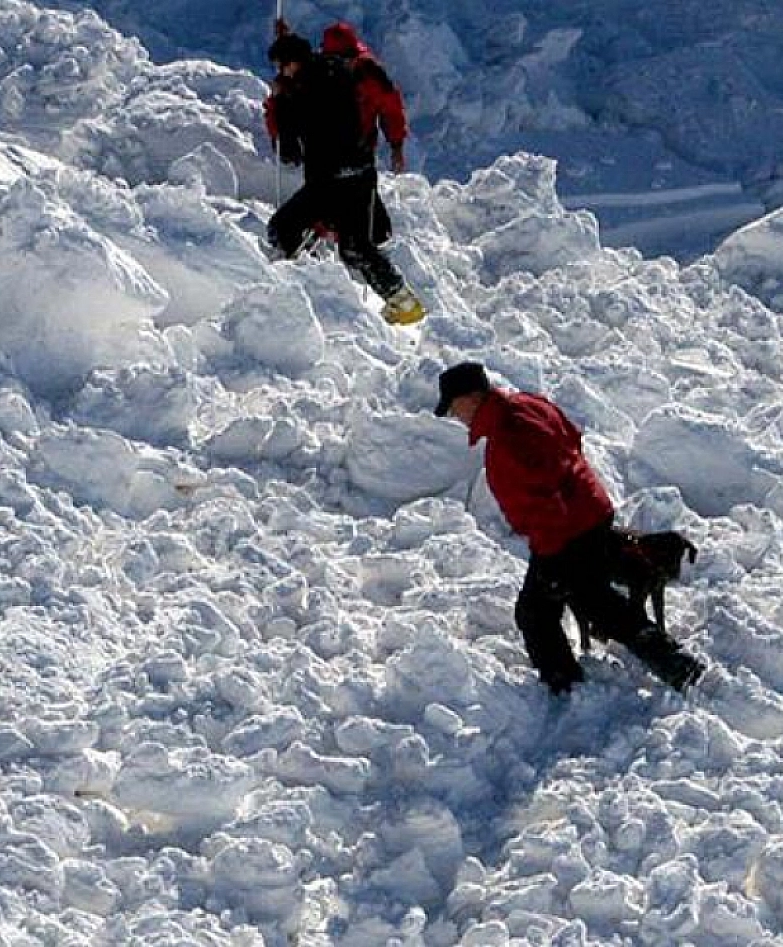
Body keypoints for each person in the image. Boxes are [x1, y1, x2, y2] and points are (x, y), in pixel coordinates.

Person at [434, 362, 705, 697]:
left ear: (473, 397)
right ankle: (671, 657)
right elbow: (572, 439)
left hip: (565, 531)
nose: (453, 414)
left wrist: (550, 560)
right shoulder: (527, 404)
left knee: (538, 612)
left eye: (454, 406)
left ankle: (566, 687)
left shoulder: (509, 435)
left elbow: (544, 495)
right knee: (594, 599)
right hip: (589, 511)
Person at [264, 20, 422, 324]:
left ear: (292, 65)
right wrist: (287, 42)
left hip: (328, 180)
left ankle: (277, 303)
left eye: (283, 67)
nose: (281, 73)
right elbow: (315, 63)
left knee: (282, 229)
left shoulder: (304, 90)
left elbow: (288, 148)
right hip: (361, 173)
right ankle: (403, 302)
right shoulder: (345, 71)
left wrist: (279, 100)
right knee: (355, 247)